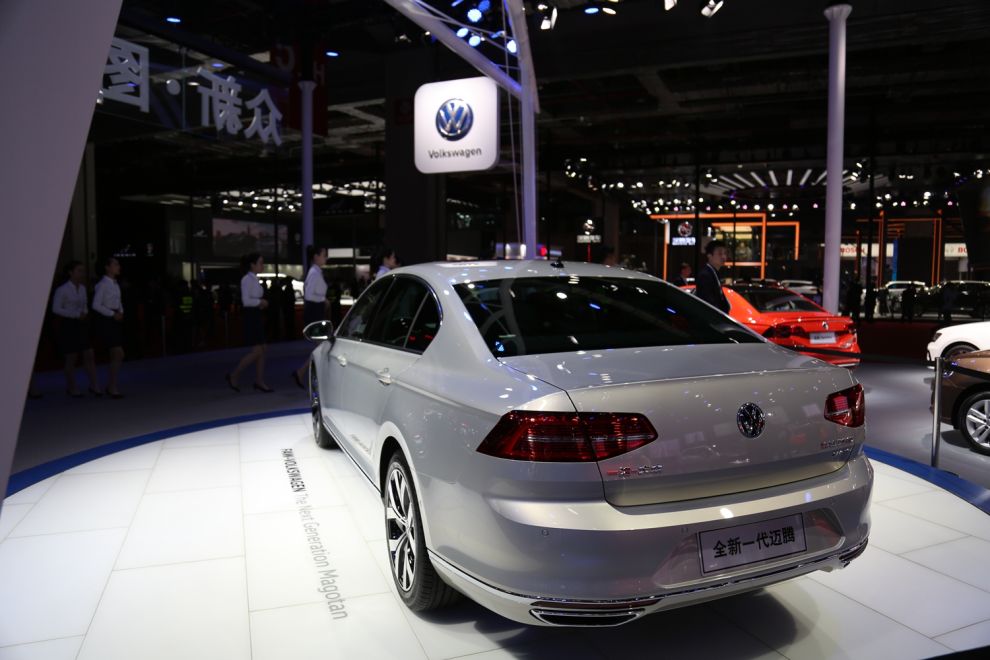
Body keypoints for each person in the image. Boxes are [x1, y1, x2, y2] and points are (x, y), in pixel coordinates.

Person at [51, 260, 101, 397]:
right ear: (70, 272)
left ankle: (94, 385)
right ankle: (71, 387)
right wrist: (75, 315)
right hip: (68, 325)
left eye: (83, 271)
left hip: (82, 324)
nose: (82, 273)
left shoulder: (83, 288)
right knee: (71, 358)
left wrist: (84, 312)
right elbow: (56, 309)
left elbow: (84, 304)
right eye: (79, 271)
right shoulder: (62, 289)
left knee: (89, 354)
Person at [227, 253, 272, 392]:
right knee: (258, 350)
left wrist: (260, 304)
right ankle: (234, 375)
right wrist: (261, 302)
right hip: (251, 316)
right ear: (252, 265)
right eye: (260, 263)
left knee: (262, 349)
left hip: (256, 315)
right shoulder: (247, 279)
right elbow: (246, 301)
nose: (263, 265)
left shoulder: (253, 279)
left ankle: (259, 381)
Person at [294, 246, 330, 389]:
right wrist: (323, 300)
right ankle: (304, 374)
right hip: (314, 313)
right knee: (322, 348)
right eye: (323, 255)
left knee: (321, 348)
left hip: (316, 313)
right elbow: (309, 295)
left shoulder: (315, 272)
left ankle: (302, 373)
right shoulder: (314, 273)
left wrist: (323, 300)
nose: (326, 257)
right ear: (316, 256)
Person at [92, 256, 126, 398]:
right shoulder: (103, 284)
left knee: (116, 354)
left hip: (115, 319)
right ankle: (111, 386)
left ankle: (111, 385)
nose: (119, 266)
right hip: (106, 320)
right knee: (118, 353)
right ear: (107, 267)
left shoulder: (115, 283)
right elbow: (95, 305)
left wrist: (121, 312)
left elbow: (118, 301)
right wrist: (112, 314)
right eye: (115, 264)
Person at [696, 240, 730, 313]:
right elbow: (708, 305)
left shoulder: (714, 273)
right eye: (720, 253)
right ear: (709, 255)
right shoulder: (705, 276)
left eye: (725, 253)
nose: (724, 257)